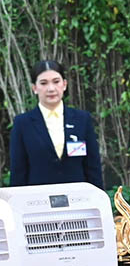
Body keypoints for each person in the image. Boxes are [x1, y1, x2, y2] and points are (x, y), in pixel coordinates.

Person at [9, 60, 103, 188]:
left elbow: (93, 167)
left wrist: (98, 196)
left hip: (78, 197)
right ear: (34, 88)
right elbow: (18, 171)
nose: (51, 88)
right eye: (43, 83)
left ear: (64, 84)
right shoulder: (22, 123)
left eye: (56, 81)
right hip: (38, 198)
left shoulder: (82, 119)